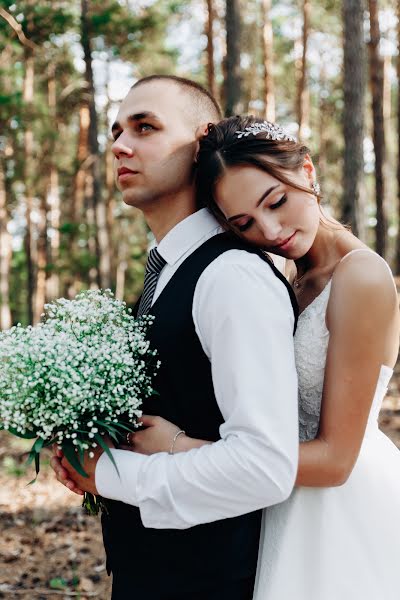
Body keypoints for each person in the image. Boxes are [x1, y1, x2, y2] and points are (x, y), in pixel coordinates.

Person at [129, 116, 400, 600]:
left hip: (338, 508)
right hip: (277, 499)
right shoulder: (283, 277)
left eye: (276, 202)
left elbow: (337, 460)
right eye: (245, 224)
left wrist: (181, 446)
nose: (271, 230)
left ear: (308, 171)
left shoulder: (362, 276)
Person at [51, 80, 300, 599]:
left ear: (201, 141)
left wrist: (113, 474)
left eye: (145, 127)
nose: (120, 145)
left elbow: (263, 467)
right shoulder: (166, 271)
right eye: (116, 131)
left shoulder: (232, 277)